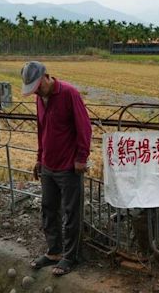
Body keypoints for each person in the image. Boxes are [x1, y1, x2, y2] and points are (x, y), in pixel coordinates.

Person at [20, 61, 92, 276]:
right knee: (49, 209)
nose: (36, 92)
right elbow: (42, 129)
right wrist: (39, 157)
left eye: (37, 87)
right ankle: (54, 252)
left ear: (45, 77)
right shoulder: (40, 99)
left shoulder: (69, 94)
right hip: (48, 166)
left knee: (71, 212)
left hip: (69, 166)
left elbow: (84, 128)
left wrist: (81, 158)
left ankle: (71, 256)